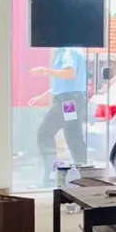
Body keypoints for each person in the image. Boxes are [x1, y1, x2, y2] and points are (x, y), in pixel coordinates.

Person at [29, 45, 89, 186]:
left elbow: (69, 73)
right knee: (74, 137)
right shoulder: (75, 50)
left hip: (68, 102)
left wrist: (45, 71)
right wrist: (43, 96)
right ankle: (83, 178)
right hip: (72, 100)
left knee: (45, 134)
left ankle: (51, 177)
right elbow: (66, 84)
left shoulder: (68, 50)